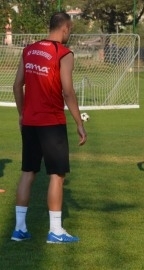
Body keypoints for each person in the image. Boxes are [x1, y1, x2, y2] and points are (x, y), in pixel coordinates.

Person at [11, 12, 87, 243]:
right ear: (65, 28)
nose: (69, 34)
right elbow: (67, 91)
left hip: (31, 122)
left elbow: (17, 86)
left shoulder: (29, 50)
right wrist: (79, 122)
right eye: (70, 30)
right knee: (57, 174)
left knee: (28, 173)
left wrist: (23, 114)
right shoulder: (63, 53)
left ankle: (19, 229)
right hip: (52, 123)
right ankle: (55, 231)